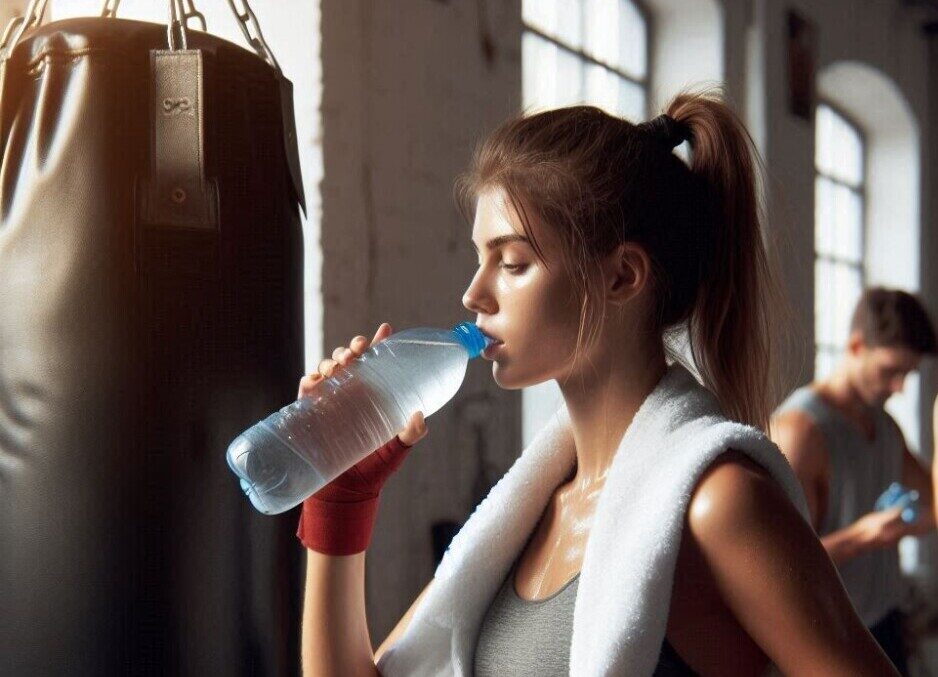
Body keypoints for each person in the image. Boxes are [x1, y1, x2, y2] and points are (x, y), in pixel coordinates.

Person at [296, 92, 900, 676]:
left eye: (511, 263)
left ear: (621, 277)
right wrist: (340, 500)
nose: (473, 294)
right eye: (481, 259)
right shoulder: (534, 505)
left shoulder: (718, 504)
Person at [772, 287, 937, 675]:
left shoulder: (884, 425)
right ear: (857, 345)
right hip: (830, 638)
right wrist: (864, 536)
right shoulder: (800, 431)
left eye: (907, 374)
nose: (899, 388)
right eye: (890, 371)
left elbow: (932, 510)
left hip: (885, 626)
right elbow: (781, 568)